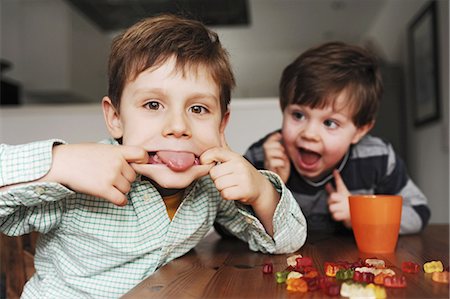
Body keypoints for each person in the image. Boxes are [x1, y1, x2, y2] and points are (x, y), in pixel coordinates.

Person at [0, 15, 306, 298]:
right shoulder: (78, 179)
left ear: (221, 124)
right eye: (153, 105)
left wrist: (261, 191)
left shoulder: (212, 186)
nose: (177, 127)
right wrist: (59, 164)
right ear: (116, 117)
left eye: (198, 109)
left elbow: (288, 243)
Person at [244, 41, 430, 235]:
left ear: (360, 130)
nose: (309, 133)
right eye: (298, 115)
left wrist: (361, 215)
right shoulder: (261, 156)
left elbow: (419, 212)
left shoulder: (377, 158)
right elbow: (225, 225)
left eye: (330, 123)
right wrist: (267, 188)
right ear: (283, 108)